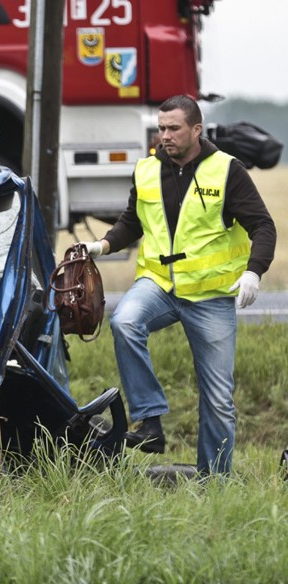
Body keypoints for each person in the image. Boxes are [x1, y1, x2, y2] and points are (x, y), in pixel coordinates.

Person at [80, 95, 275, 476]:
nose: (164, 135)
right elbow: (131, 223)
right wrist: (100, 246)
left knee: (218, 400)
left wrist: (254, 272)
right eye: (161, 127)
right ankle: (150, 422)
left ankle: (214, 482)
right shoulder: (147, 170)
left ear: (196, 130)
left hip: (211, 296)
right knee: (124, 322)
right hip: (159, 285)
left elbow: (263, 227)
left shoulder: (227, 171)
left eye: (173, 128)